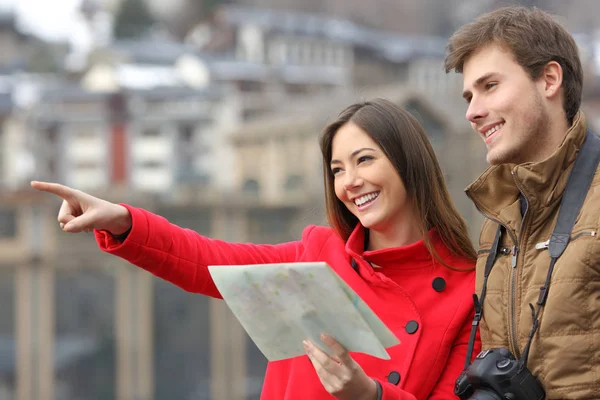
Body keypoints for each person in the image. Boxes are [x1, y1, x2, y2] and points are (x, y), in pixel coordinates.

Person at [32, 98, 479, 400]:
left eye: (364, 160)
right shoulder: (316, 253)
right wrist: (124, 221)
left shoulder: (469, 287)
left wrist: (370, 395)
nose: (350, 182)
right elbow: (207, 261)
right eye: (337, 169)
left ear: (408, 162)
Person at [445, 6, 599, 399]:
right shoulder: (497, 222)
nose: (471, 111)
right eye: (469, 95)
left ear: (549, 79)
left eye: (490, 85)